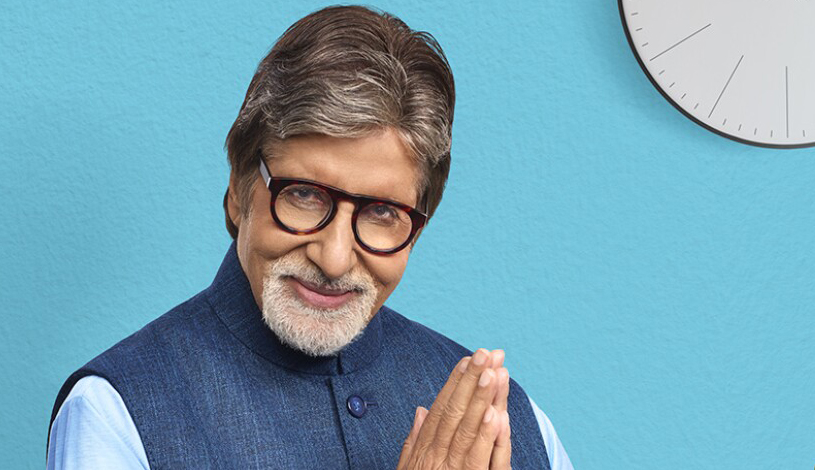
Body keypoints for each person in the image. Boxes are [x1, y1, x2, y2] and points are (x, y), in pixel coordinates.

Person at [47, 5, 573, 469]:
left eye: (383, 212)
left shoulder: (516, 421)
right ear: (239, 190)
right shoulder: (115, 413)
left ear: (419, 226)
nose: (335, 258)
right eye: (304, 195)